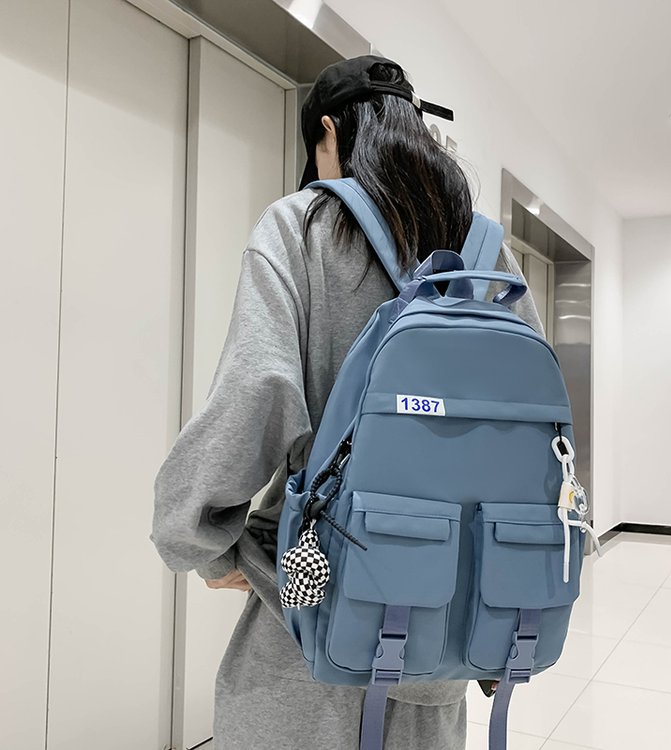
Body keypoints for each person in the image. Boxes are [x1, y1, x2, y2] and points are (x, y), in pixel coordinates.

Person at [151, 55, 543, 750]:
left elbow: (257, 393)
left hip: (315, 616)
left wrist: (199, 539)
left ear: (328, 131)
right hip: (447, 627)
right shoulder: (489, 254)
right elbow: (535, 427)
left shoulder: (301, 226)